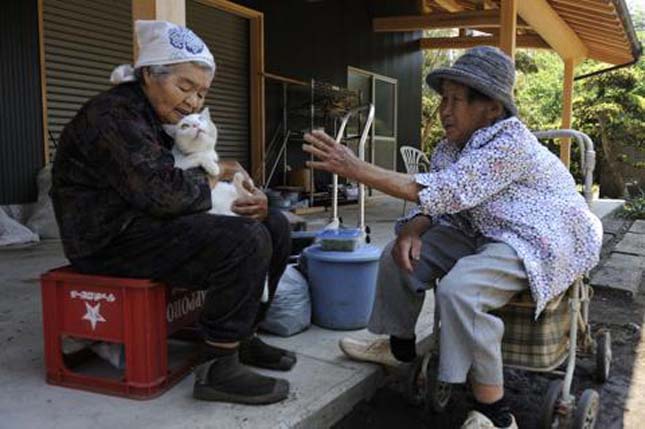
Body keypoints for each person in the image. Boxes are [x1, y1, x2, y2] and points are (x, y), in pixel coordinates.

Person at [303, 46, 602, 429]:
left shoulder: (512, 143)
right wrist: (414, 227)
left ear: (491, 108)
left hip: (535, 237)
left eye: (456, 100)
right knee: (397, 252)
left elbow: (449, 190)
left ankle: (496, 413)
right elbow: (435, 200)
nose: (444, 109)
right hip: (479, 229)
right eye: (443, 99)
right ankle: (400, 349)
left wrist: (357, 168)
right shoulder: (449, 147)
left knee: (461, 289)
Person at [51, 20, 295, 405]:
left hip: (147, 223)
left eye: (201, 93)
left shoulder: (156, 115)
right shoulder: (113, 116)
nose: (194, 102)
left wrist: (247, 193)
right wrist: (222, 171)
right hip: (108, 239)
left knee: (274, 224)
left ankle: (242, 336)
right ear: (149, 73)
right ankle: (219, 368)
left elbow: (181, 184)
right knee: (244, 240)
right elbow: (165, 194)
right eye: (184, 87)